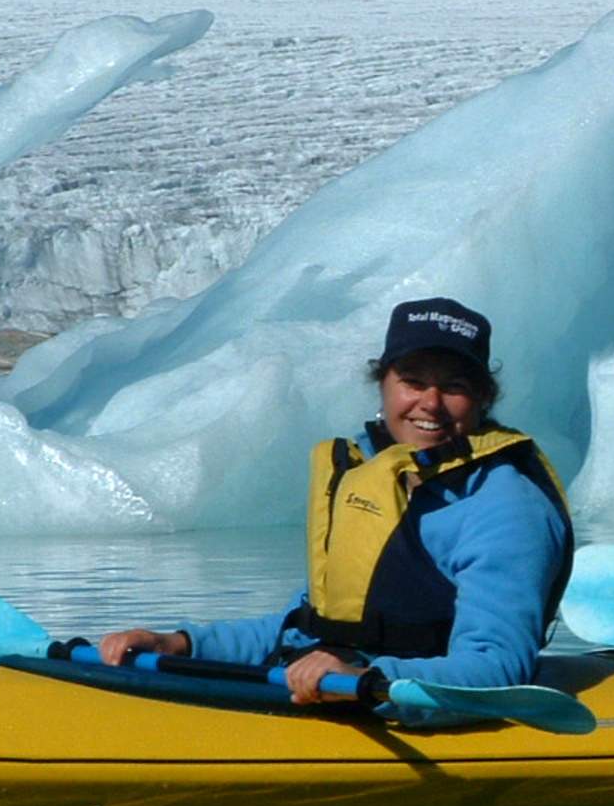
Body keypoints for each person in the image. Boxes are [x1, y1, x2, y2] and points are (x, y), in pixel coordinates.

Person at [100, 296, 573, 717]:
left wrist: (359, 674)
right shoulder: (368, 482)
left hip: (396, 702)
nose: (430, 403)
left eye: (454, 387)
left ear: (483, 398)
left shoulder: (506, 506)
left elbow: (497, 668)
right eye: (411, 381)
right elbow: (299, 628)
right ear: (382, 384)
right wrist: (182, 644)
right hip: (338, 686)